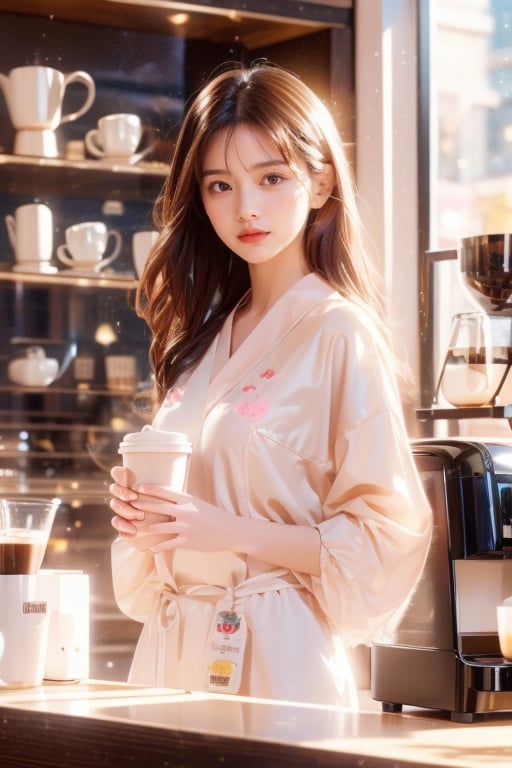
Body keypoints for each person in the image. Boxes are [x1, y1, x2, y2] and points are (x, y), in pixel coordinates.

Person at [109, 62, 432, 707]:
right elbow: (170, 541)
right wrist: (145, 518)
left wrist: (223, 529)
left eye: (272, 178)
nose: (246, 208)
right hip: (173, 652)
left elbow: (385, 535)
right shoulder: (200, 339)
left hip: (281, 660)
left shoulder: (341, 334)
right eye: (220, 185)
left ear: (321, 183)